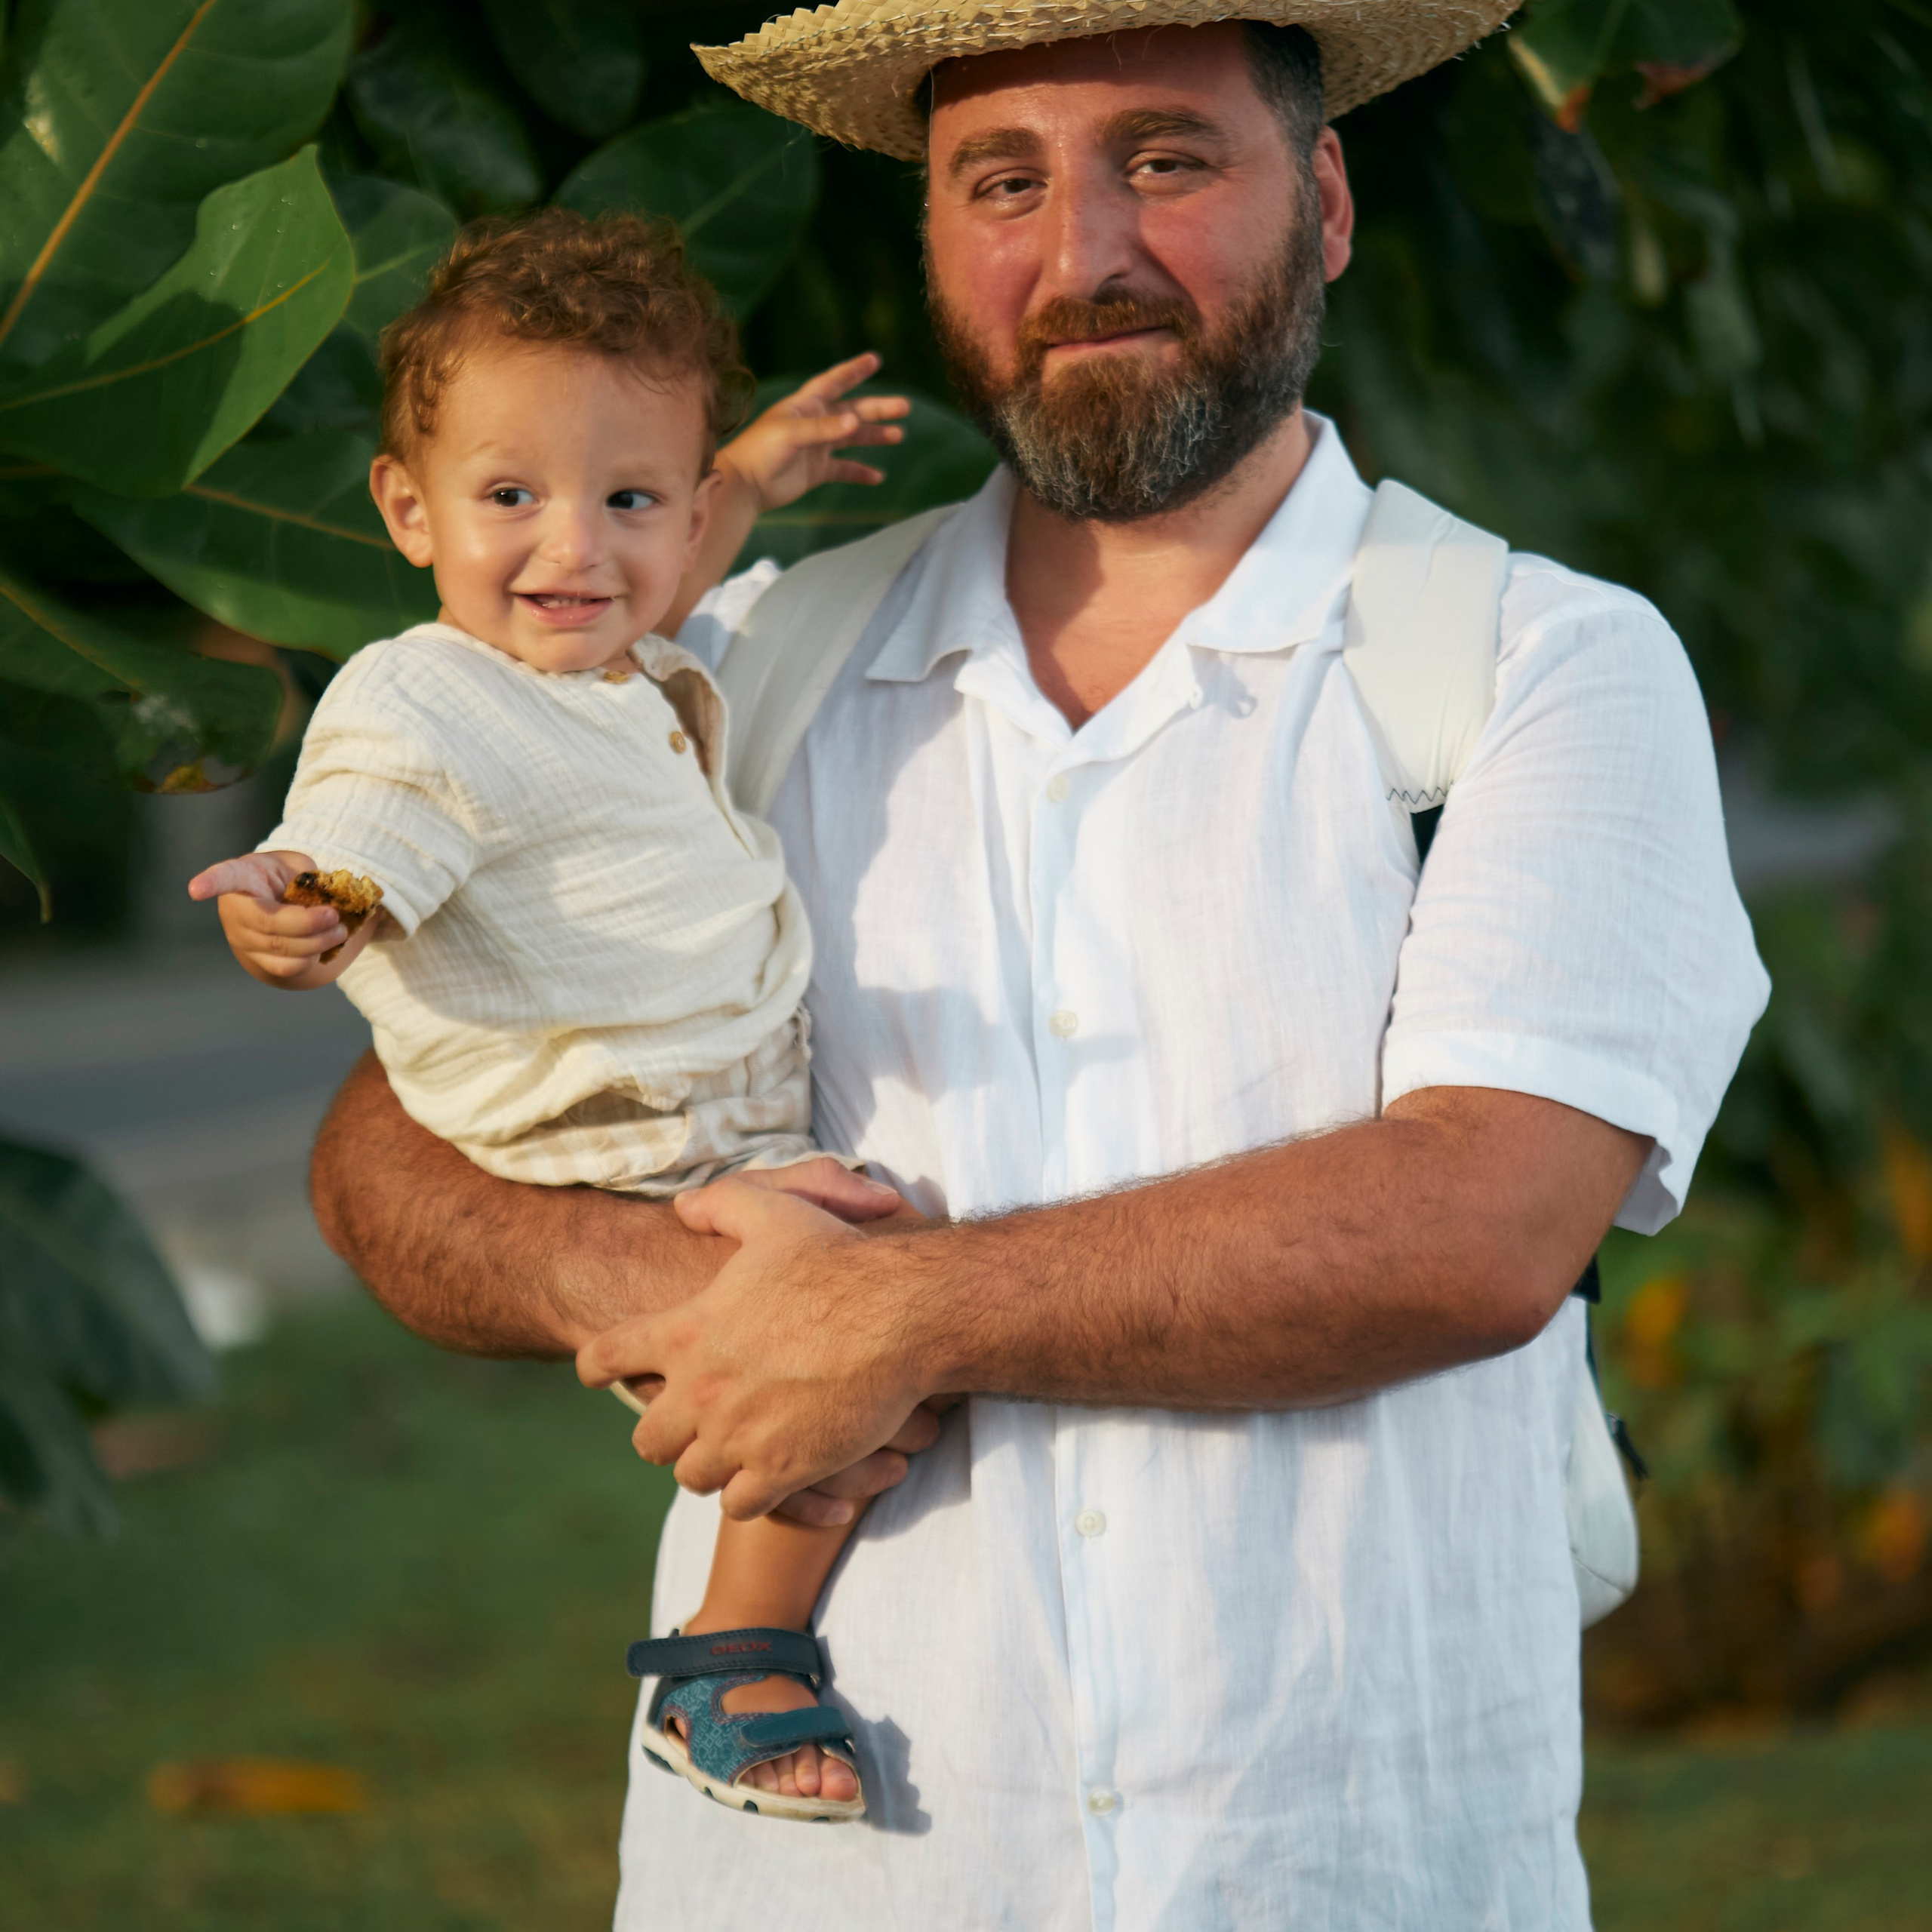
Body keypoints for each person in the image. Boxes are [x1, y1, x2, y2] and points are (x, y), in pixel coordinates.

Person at [309, 7, 1771, 1928]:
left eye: (1164, 161)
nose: (1081, 255)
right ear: (931, 233)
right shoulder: (725, 674)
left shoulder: (1531, 666)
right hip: (824, 1885)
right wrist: (643, 1274)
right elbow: (385, 1140)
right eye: (1001, 180)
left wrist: (885, 1315)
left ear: (1320, 201)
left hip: (1345, 1867)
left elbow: (1484, 1220)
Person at [189, 209, 930, 1820]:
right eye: (508, 497)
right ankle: (731, 1663)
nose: (573, 551)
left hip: (709, 1115)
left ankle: (749, 1619)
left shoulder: (596, 644)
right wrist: (311, 900)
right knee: (851, 1327)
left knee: (872, 1323)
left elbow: (680, 543)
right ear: (407, 506)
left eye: (627, 498)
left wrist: (756, 467)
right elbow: (369, 827)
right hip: (626, 1144)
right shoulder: (427, 695)